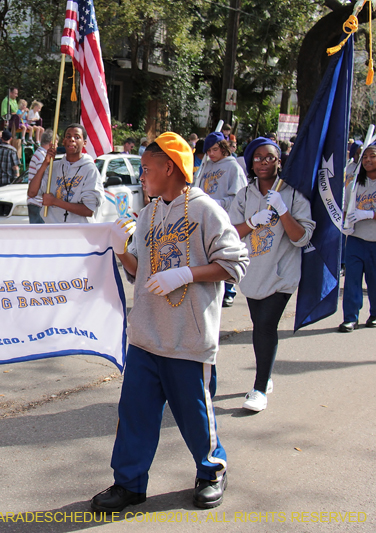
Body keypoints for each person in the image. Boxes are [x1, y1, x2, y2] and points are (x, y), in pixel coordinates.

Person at [92, 132, 249, 515]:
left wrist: (187, 274)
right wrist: (120, 250)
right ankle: (129, 483)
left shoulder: (205, 210)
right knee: (135, 414)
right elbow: (140, 272)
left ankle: (211, 472)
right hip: (146, 336)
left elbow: (235, 263)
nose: (141, 176)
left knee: (195, 414)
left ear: (170, 167)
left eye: (146, 169)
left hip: (186, 338)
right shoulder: (147, 214)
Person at [228, 137, 314, 412]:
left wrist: (283, 210)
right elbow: (230, 233)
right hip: (253, 273)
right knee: (260, 327)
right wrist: (252, 222)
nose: (263, 163)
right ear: (251, 162)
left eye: (270, 158)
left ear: (279, 162)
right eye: (258, 158)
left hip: (282, 274)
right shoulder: (244, 195)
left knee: (265, 326)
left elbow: (301, 238)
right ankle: (266, 373)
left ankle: (259, 388)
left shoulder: (292, 193)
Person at [196, 132, 247, 307]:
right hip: (206, 217)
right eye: (208, 150)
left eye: (215, 149)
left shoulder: (234, 168)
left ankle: (229, 290)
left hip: (226, 219)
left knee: (225, 254)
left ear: (224, 148)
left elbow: (238, 197)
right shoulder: (206, 166)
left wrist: (218, 202)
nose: (211, 153)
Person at [27, 124, 102, 224]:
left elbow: (88, 210)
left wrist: (54, 201)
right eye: (68, 136)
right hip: (54, 230)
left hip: (78, 231)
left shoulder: (89, 170)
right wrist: (45, 163)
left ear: (84, 143)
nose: (72, 139)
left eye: (77, 137)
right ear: (63, 141)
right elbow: (32, 193)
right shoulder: (54, 167)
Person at [339, 141, 376, 332]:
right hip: (355, 239)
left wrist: (369, 214)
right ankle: (350, 318)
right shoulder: (354, 184)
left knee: (374, 280)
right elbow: (345, 207)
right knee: (352, 280)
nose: (368, 160)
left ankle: (375, 314)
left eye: (373, 156)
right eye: (366, 157)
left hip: (375, 241)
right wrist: (345, 224)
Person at [26, 129, 53, 224]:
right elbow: (44, 177)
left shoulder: (39, 154)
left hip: (35, 201)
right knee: (40, 235)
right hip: (38, 201)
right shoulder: (42, 156)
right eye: (56, 143)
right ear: (51, 143)